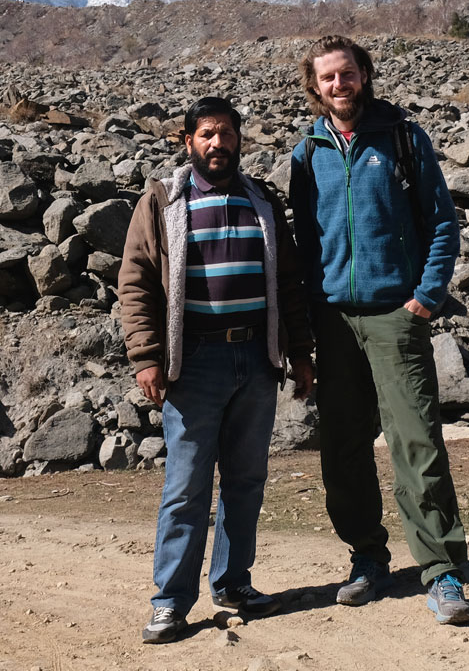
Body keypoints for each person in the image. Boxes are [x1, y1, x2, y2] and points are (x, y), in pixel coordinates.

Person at [288, 35, 469, 624]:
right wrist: (306, 322)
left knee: (416, 443)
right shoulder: (307, 152)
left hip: (397, 317)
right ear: (315, 87)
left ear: (364, 76)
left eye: (347, 74)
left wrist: (424, 298)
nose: (338, 86)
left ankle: (441, 571)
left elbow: (442, 223)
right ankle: (367, 558)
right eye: (327, 79)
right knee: (343, 448)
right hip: (334, 320)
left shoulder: (402, 138)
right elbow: (303, 244)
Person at [118, 95, 316, 644]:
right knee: (185, 486)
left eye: (226, 133)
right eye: (207, 133)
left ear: (239, 141)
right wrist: (147, 358)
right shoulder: (162, 202)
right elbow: (134, 283)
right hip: (194, 363)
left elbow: (290, 286)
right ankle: (170, 602)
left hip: (256, 359)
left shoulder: (262, 202)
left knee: (247, 481)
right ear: (188, 142)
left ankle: (233, 584)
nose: (217, 143)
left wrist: (300, 354)